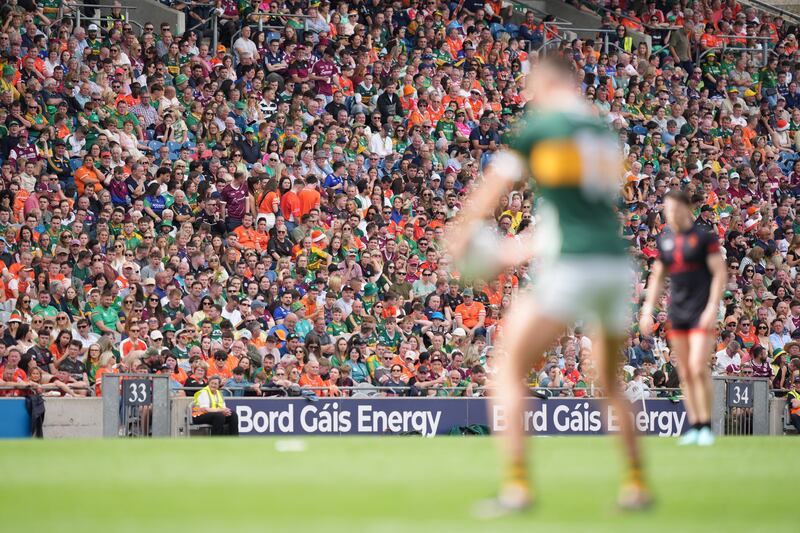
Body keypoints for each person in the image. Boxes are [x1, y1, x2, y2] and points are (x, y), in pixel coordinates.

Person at [448, 56, 649, 515]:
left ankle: (517, 487)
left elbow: (491, 190)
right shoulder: (601, 132)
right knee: (610, 381)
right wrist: (522, 247)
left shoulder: (543, 126)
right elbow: (577, 210)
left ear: (548, 82)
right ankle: (636, 483)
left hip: (574, 264)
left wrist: (461, 236)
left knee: (507, 370)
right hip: (615, 263)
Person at [640, 190, 727, 446]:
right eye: (666, 210)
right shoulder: (667, 241)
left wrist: (713, 307)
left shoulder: (703, 238)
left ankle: (707, 426)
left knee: (699, 366)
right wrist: (647, 310)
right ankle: (696, 425)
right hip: (677, 314)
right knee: (686, 371)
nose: (669, 214)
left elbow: (719, 273)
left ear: (686, 208)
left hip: (701, 311)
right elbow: (657, 276)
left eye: (673, 209)